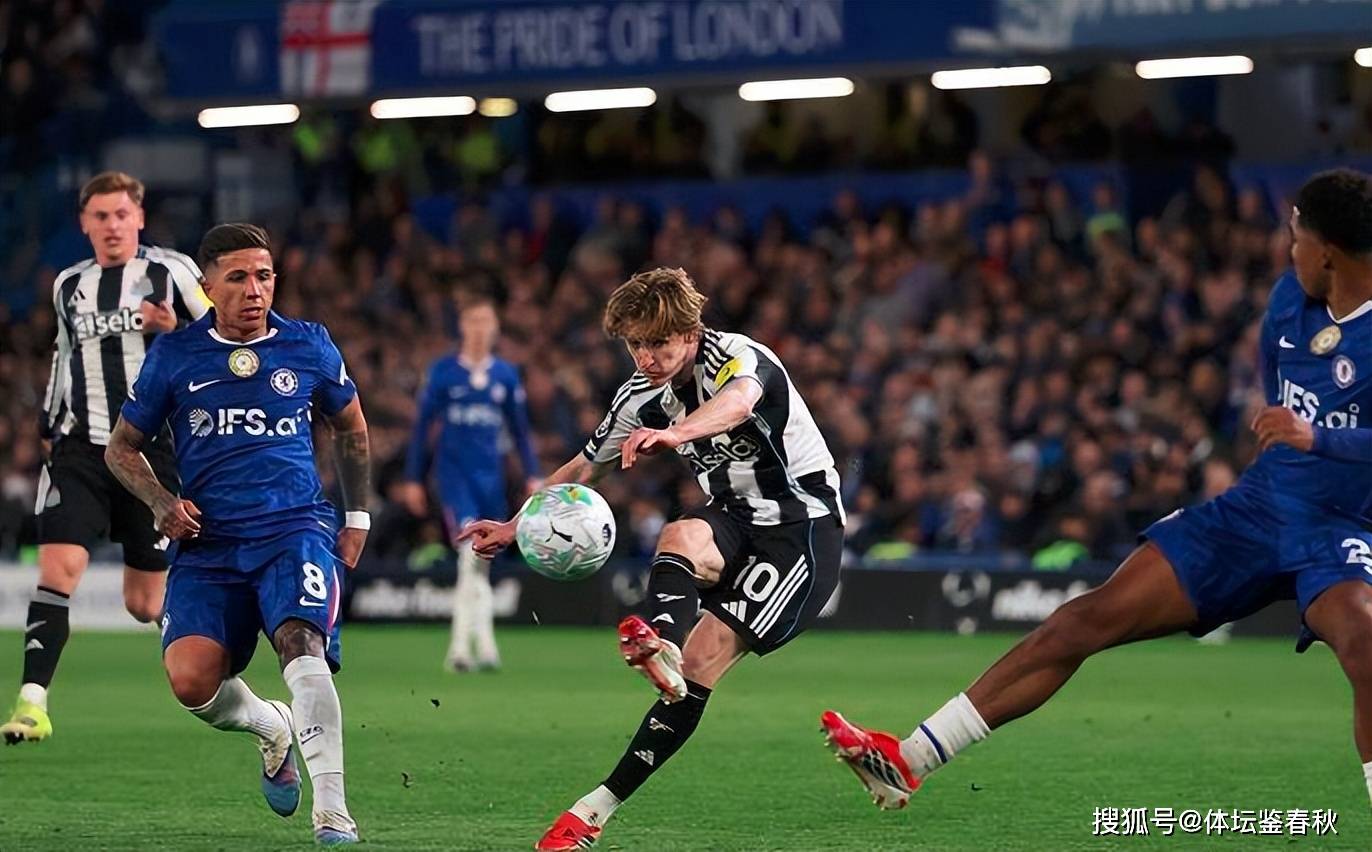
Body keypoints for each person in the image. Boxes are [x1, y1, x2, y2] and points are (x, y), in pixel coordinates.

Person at [821, 169, 1372, 812]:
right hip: (1258, 509)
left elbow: (1306, 429)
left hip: (1341, 525)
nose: (1288, 250)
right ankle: (908, 758)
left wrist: (1317, 439)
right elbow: (1277, 396)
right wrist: (1289, 442)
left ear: (1328, 253)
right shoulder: (1287, 301)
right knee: (1084, 619)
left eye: (1297, 238)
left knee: (1363, 643)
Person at [459, 267, 846, 850]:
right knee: (679, 536)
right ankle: (660, 641)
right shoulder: (639, 396)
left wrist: (676, 434)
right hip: (735, 517)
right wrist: (517, 524)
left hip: (802, 530)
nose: (646, 358)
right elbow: (584, 466)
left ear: (690, 333)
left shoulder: (739, 358)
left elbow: (738, 404)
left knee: (701, 664)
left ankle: (593, 809)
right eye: (635, 344)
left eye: (659, 343)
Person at [102, 223, 370, 844]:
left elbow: (351, 427)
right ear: (207, 286)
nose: (255, 290)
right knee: (191, 681)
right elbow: (121, 449)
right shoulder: (176, 355)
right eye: (239, 277)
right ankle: (270, 726)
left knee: (301, 644)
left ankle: (333, 812)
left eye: (265, 276)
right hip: (209, 543)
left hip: (293, 528)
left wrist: (356, 515)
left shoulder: (308, 344)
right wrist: (161, 502)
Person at [3, 171, 211, 745]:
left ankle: (216, 674)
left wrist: (176, 330)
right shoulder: (69, 285)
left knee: (144, 603)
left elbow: (225, 339)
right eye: (101, 216)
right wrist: (49, 426)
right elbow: (63, 356)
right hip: (82, 450)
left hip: (150, 456)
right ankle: (31, 704)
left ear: (139, 217)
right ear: (84, 224)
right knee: (58, 570)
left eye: (121, 214)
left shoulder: (173, 272)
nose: (112, 226)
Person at [399, 287, 540, 672]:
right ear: (462, 326)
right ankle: (462, 649)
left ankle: (483, 645)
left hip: (490, 479)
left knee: (482, 562)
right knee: (469, 555)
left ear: (495, 327)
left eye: (486, 321)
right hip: (454, 477)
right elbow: (421, 428)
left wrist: (533, 474)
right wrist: (413, 478)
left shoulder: (505, 375)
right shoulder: (443, 372)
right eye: (473, 321)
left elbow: (520, 431)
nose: (480, 328)